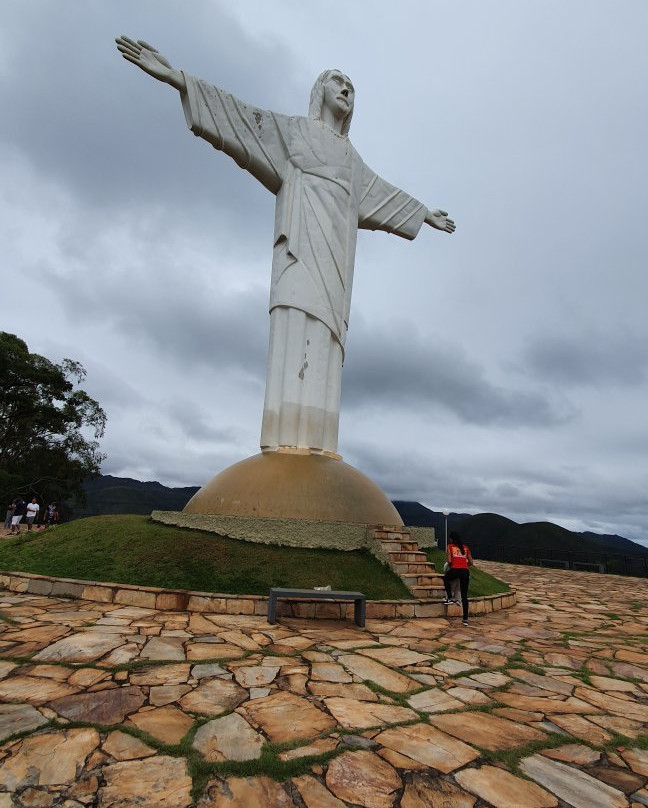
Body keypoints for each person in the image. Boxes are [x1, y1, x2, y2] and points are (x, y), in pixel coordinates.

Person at [115, 37, 455, 456]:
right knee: (294, 328)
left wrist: (422, 213)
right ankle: (281, 448)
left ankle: (320, 451)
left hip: (335, 263)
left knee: (327, 344)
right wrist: (180, 80)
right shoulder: (292, 131)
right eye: (337, 82)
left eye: (351, 86)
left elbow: (382, 194)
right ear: (320, 93)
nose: (346, 89)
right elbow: (241, 119)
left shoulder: (353, 161)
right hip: (296, 251)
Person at [443, 530, 473, 625]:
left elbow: (449, 560)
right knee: (464, 596)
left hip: (455, 569)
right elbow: (471, 562)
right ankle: (465, 620)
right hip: (465, 572)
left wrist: (454, 565)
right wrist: (464, 564)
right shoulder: (465, 547)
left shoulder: (450, 546)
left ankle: (450, 598)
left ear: (451, 539)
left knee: (446, 579)